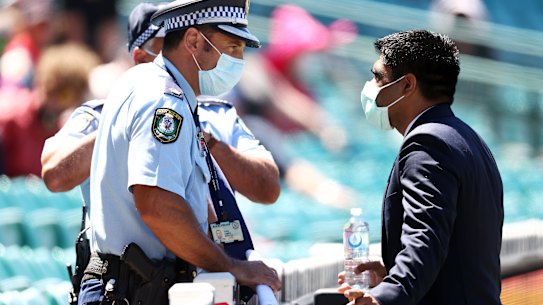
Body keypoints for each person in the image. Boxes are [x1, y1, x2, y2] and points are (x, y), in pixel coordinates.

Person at [77, 0, 281, 304]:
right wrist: (233, 267)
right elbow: (158, 206)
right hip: (133, 290)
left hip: (133, 285)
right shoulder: (165, 100)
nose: (239, 59)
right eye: (233, 46)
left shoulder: (154, 86)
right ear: (194, 41)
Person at [338, 30, 503, 305]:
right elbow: (455, 247)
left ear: (407, 85)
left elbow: (426, 237)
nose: (370, 86)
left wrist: (385, 297)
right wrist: (391, 273)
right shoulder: (468, 138)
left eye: (378, 77)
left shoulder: (427, 143)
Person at [0, 42, 99, 177]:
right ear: (42, 83)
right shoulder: (9, 117)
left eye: (66, 96)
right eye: (53, 90)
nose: (57, 102)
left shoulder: (63, 133)